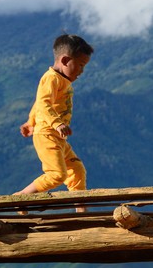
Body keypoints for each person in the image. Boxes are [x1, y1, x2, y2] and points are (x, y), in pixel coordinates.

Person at [17, 34, 95, 207]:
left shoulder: (62, 80)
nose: (81, 71)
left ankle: (81, 211)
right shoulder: (51, 78)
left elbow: (39, 102)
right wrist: (57, 123)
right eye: (80, 65)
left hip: (58, 137)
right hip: (47, 135)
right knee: (57, 175)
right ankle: (21, 198)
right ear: (66, 60)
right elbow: (44, 103)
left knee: (77, 170)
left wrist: (31, 122)